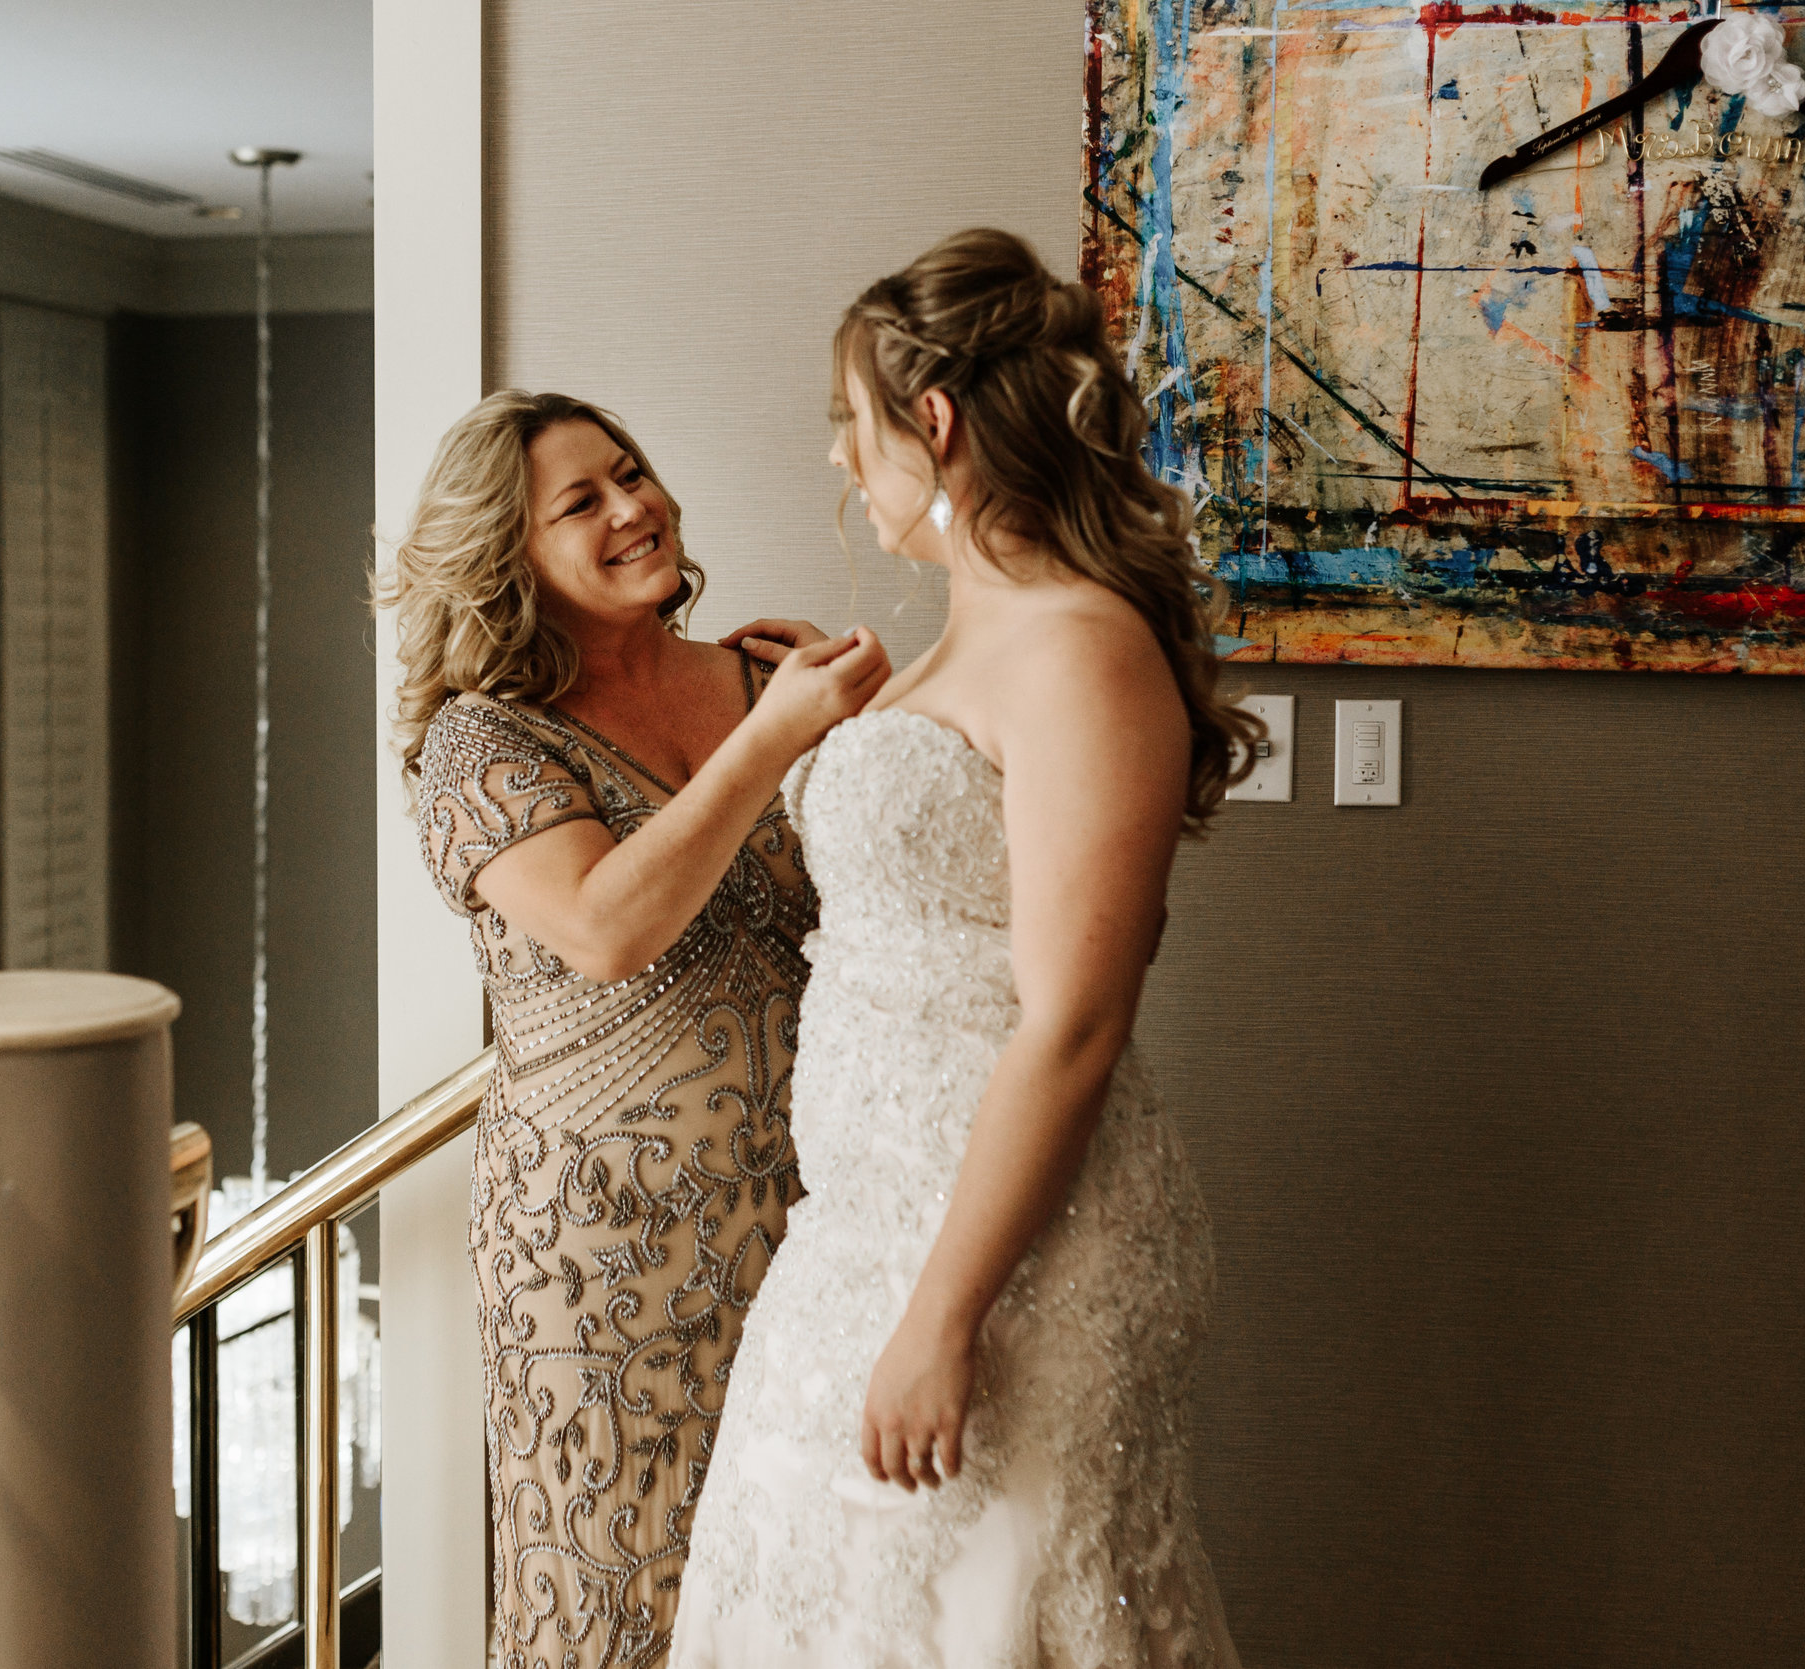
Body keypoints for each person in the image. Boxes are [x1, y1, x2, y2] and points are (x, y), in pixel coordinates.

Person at [671, 230, 1257, 1668]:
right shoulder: (948, 646)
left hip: (1008, 1252)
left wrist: (945, 1315)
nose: (835, 462)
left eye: (846, 426)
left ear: (929, 423)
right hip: (859, 1232)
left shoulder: (1081, 645)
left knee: (982, 1614)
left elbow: (1070, 1020)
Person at [384, 390, 890, 1668]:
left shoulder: (766, 674)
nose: (635, 506)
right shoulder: (482, 743)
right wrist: (774, 738)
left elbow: (883, 901)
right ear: (509, 558)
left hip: (809, 1209)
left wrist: (850, 733)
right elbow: (608, 928)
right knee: (616, 1594)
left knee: (803, 1579)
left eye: (634, 472)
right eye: (583, 500)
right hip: (598, 1255)